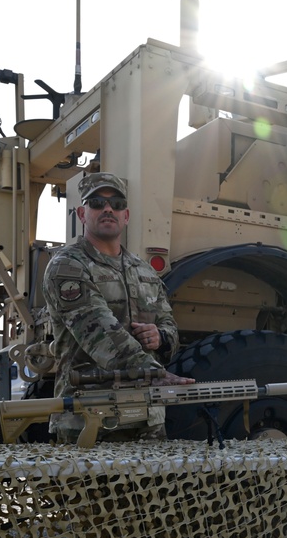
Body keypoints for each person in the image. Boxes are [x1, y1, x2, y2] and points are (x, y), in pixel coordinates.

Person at [43, 171, 192, 443]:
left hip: (147, 417)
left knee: (152, 487)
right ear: (81, 214)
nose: (108, 208)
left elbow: (170, 326)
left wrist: (161, 337)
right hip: (88, 417)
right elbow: (97, 330)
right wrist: (155, 374)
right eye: (97, 202)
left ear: (126, 216)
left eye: (117, 204)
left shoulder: (144, 271)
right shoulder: (67, 267)